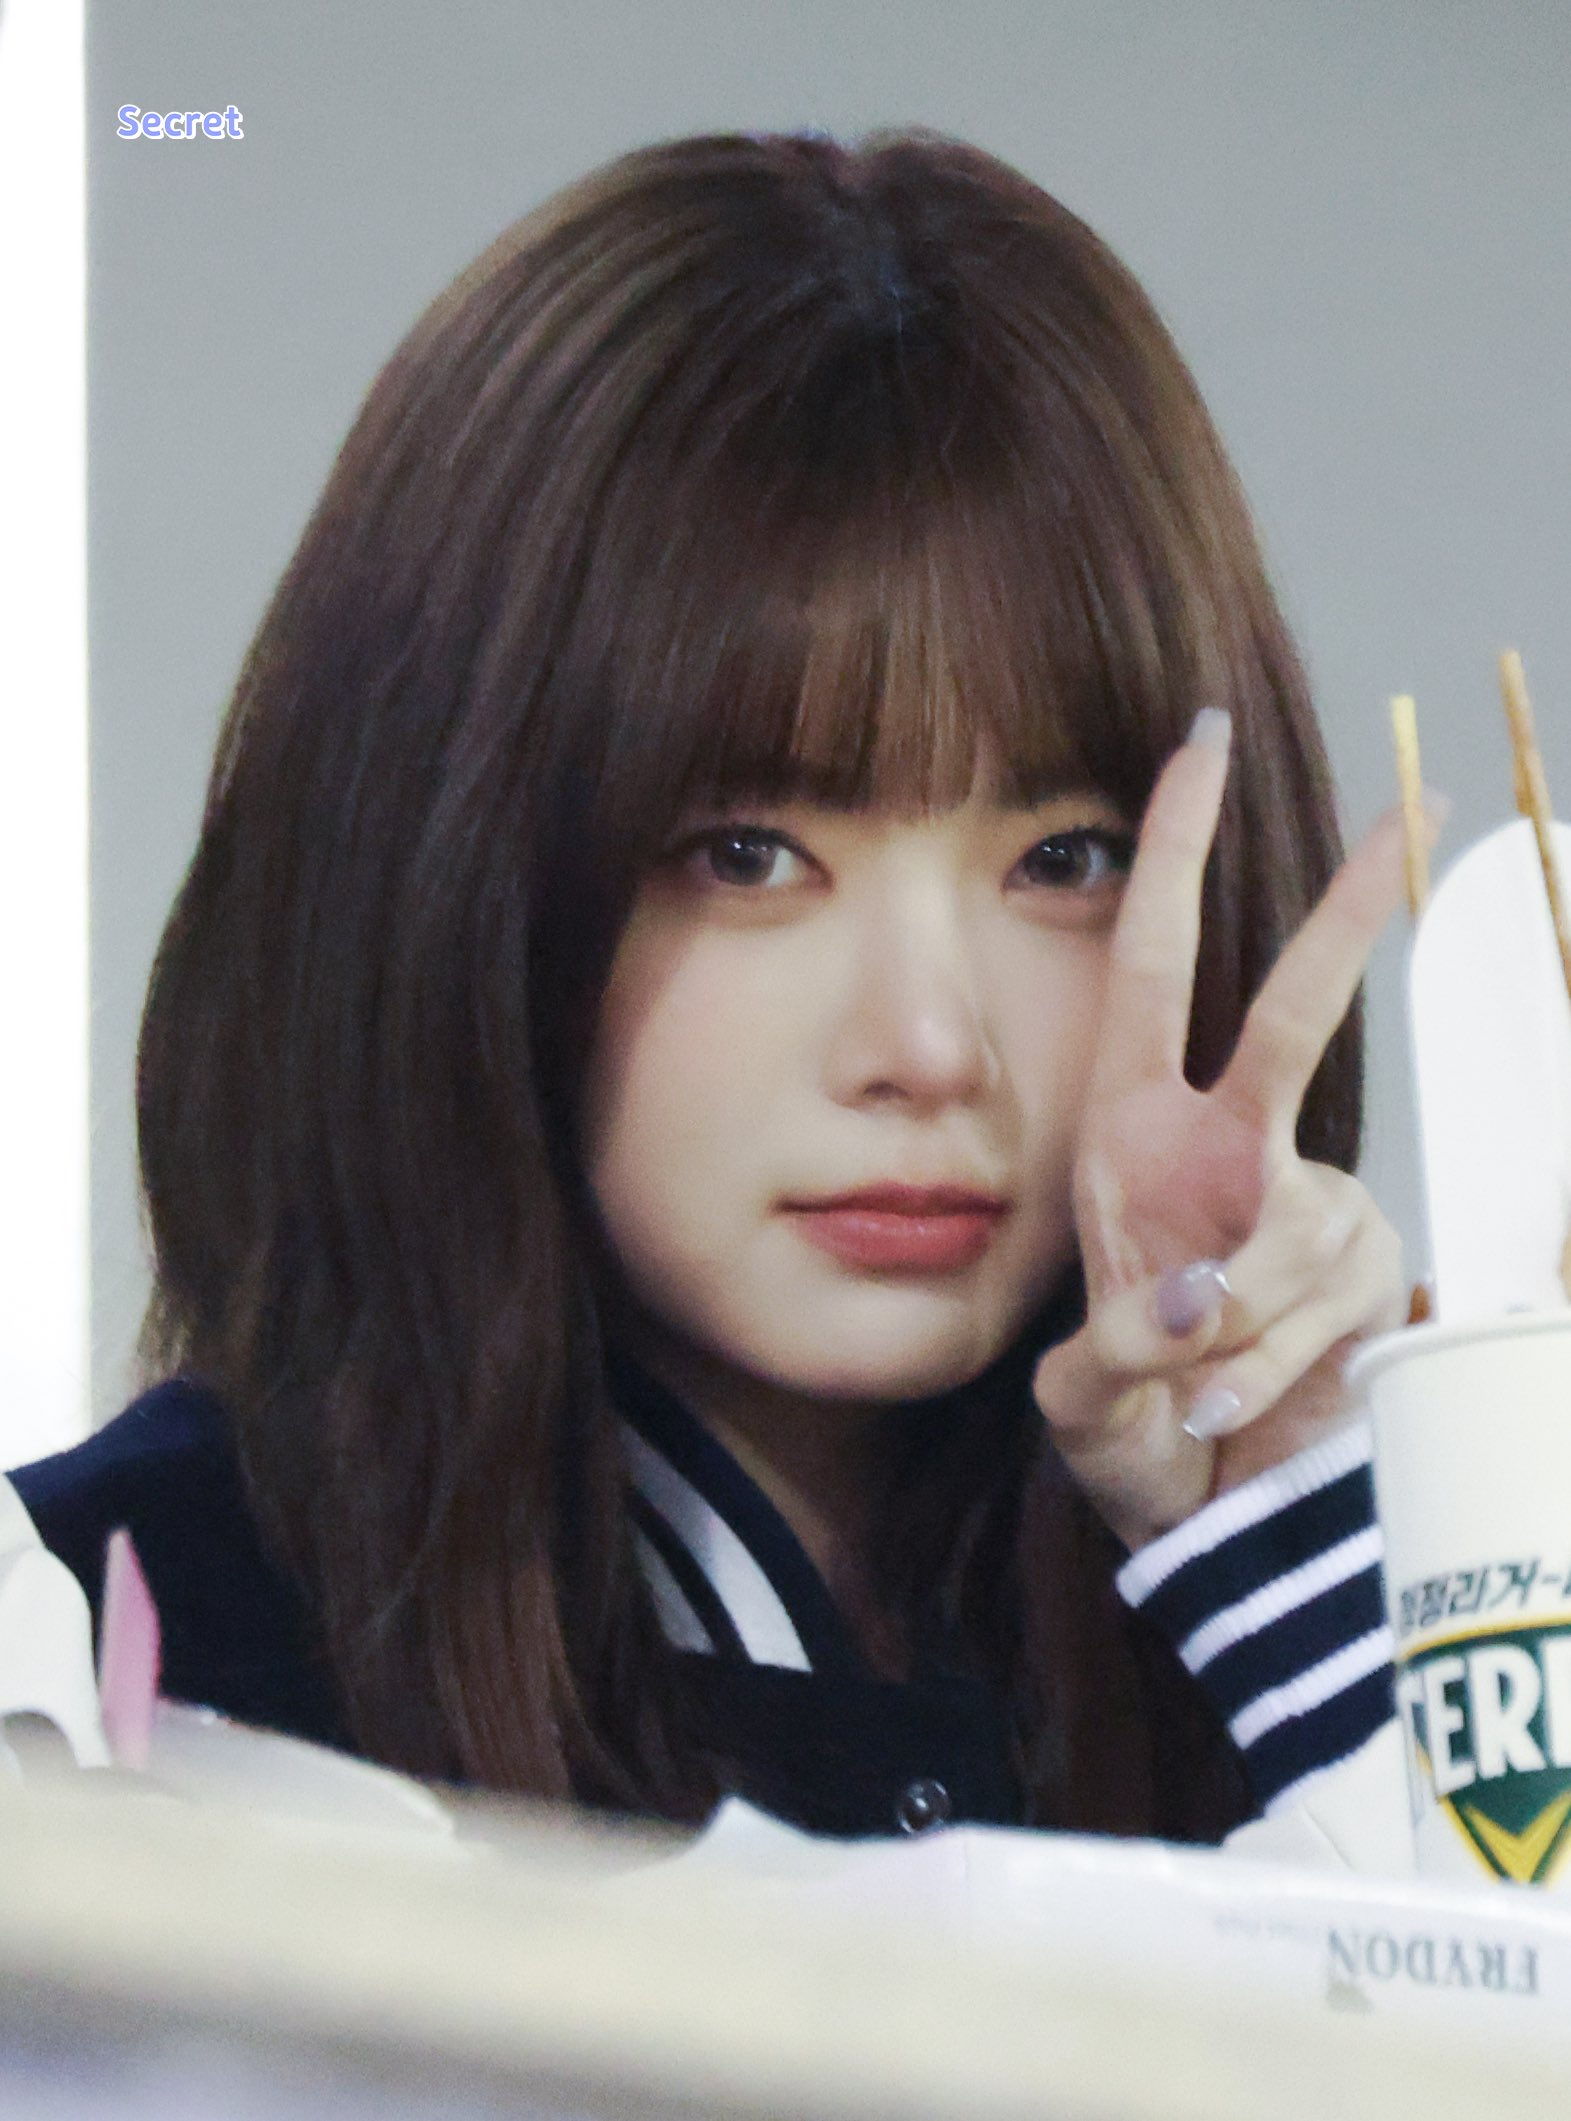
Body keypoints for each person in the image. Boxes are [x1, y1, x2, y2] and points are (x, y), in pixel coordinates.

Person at [9, 129, 1422, 1844]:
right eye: (748, 856)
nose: (926, 1048)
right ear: (446, 867)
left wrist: (1290, 1548)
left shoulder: (1293, 1608)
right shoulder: (84, 1670)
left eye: (1062, 857)